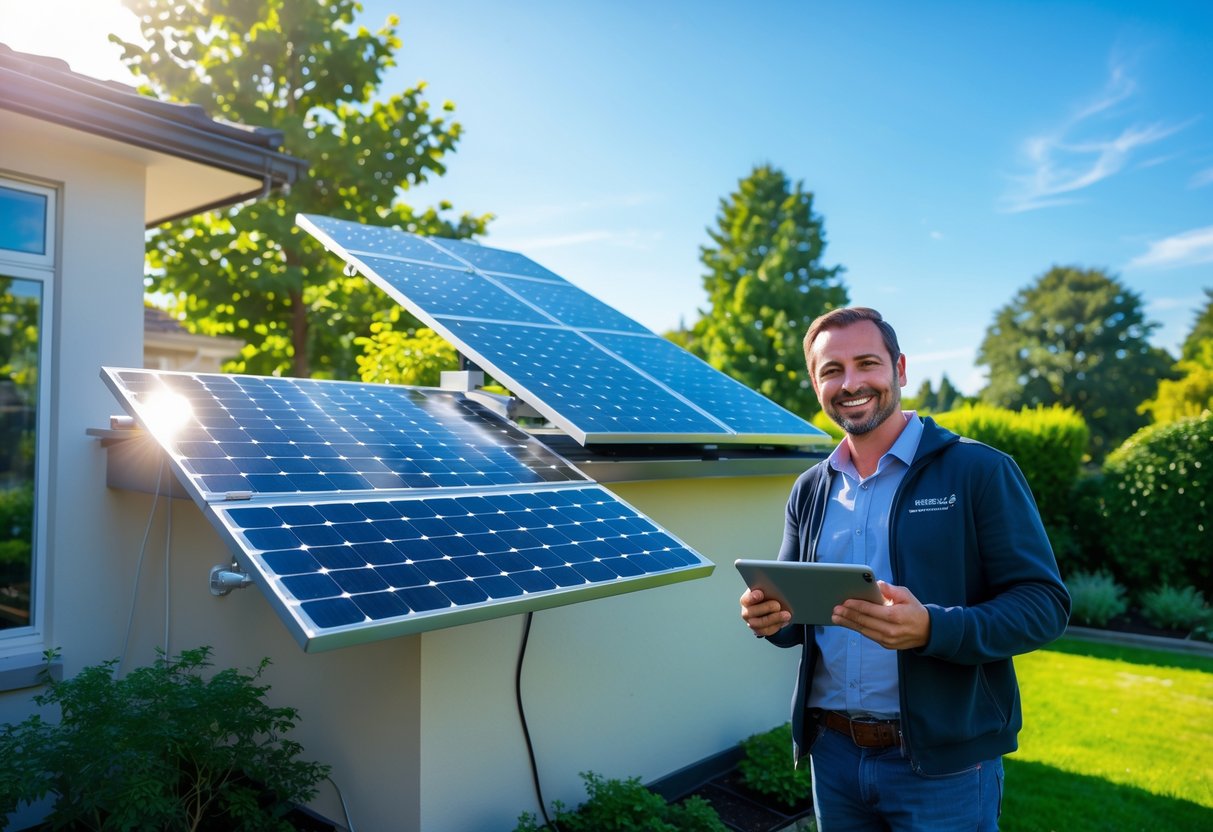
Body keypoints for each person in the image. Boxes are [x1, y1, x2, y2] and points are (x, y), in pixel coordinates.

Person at [740, 307, 1070, 831]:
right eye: (832, 370)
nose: (851, 383)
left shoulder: (978, 470)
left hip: (946, 766)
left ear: (900, 368)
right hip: (834, 756)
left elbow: (1043, 605)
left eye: (867, 363)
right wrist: (771, 619)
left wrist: (934, 628)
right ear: (815, 383)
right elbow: (795, 619)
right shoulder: (811, 488)